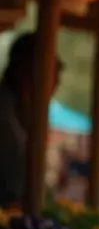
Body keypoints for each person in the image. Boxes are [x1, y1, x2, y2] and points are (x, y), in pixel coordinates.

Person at [0, 32, 63, 208]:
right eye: (52, 71)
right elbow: (17, 181)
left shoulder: (22, 112)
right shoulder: (5, 116)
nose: (57, 81)